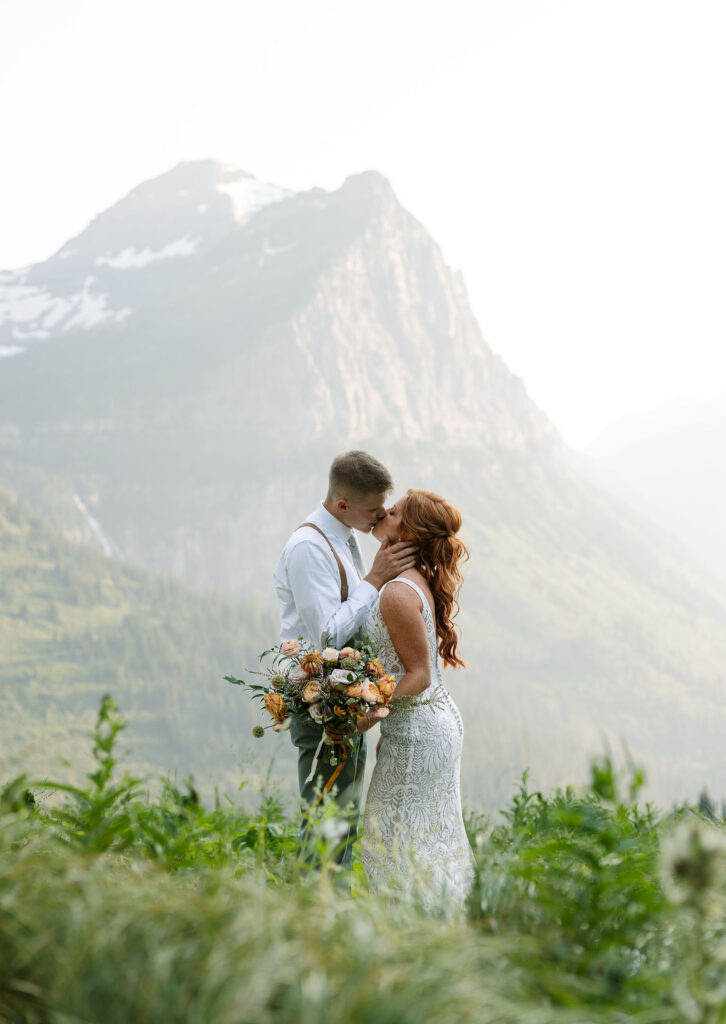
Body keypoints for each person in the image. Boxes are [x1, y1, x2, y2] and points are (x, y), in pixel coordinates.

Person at [273, 450, 416, 866]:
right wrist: (374, 579)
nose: (380, 517)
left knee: (342, 818)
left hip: (345, 699)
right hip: (319, 704)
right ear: (342, 505)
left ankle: (325, 910)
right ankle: (313, 912)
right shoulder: (308, 549)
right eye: (374, 510)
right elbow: (326, 637)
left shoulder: (345, 537)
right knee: (326, 818)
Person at [359, 488, 475, 912]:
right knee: (428, 843)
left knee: (387, 843)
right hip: (427, 726)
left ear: (407, 531)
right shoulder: (413, 583)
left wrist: (370, 716)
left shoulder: (396, 593)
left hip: (422, 729)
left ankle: (419, 937)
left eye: (393, 512)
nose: (382, 513)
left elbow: (420, 675)